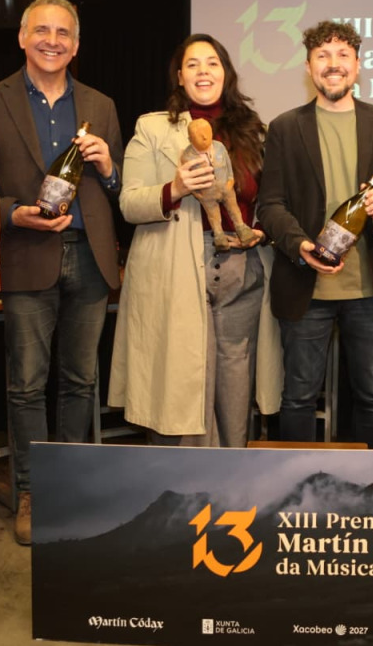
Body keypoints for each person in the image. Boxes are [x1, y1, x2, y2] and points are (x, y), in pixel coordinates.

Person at [0, 0, 123, 546]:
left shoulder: (101, 104)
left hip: (91, 256)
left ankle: (69, 486)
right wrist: (14, 212)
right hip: (25, 254)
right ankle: (32, 491)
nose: (52, 41)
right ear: (22, 37)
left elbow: (119, 189)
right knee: (26, 384)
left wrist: (109, 167)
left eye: (63, 33)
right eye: (42, 31)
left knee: (81, 380)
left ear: (76, 45)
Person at [109, 34, 281, 447]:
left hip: (243, 271)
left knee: (236, 381)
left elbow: (266, 198)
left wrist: (261, 227)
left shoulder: (254, 130)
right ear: (179, 77)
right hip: (179, 269)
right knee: (182, 383)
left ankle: (232, 476)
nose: (204, 71)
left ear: (227, 73)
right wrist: (176, 188)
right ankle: (182, 482)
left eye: (212, 63)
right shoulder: (153, 128)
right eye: (193, 64)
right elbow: (129, 203)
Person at [257, 20, 373, 450]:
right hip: (306, 286)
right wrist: (300, 245)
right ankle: (298, 485)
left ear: (358, 65)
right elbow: (270, 205)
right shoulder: (285, 127)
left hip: (370, 288)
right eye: (322, 55)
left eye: (343, 55)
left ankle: (372, 484)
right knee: (298, 398)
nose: (333, 64)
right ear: (309, 67)